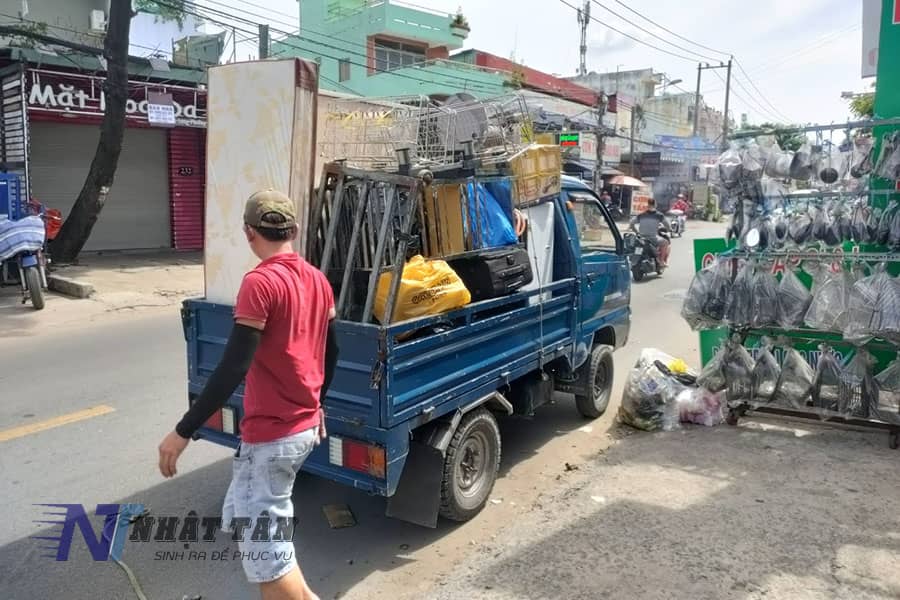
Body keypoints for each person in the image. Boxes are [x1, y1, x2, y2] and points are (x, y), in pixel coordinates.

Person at [158, 190, 339, 600]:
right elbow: (334, 350)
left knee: (270, 567)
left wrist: (183, 430)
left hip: (273, 438)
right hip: (299, 429)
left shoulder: (260, 283)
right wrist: (318, 403)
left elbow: (234, 366)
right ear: (293, 230)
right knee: (244, 524)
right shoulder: (318, 280)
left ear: (248, 233)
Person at [629, 198, 671, 266]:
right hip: (653, 238)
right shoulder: (659, 215)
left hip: (641, 238)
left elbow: (631, 223)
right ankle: (661, 261)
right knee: (665, 243)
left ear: (648, 205)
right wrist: (669, 229)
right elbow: (667, 225)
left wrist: (636, 232)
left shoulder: (641, 215)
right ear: (655, 205)